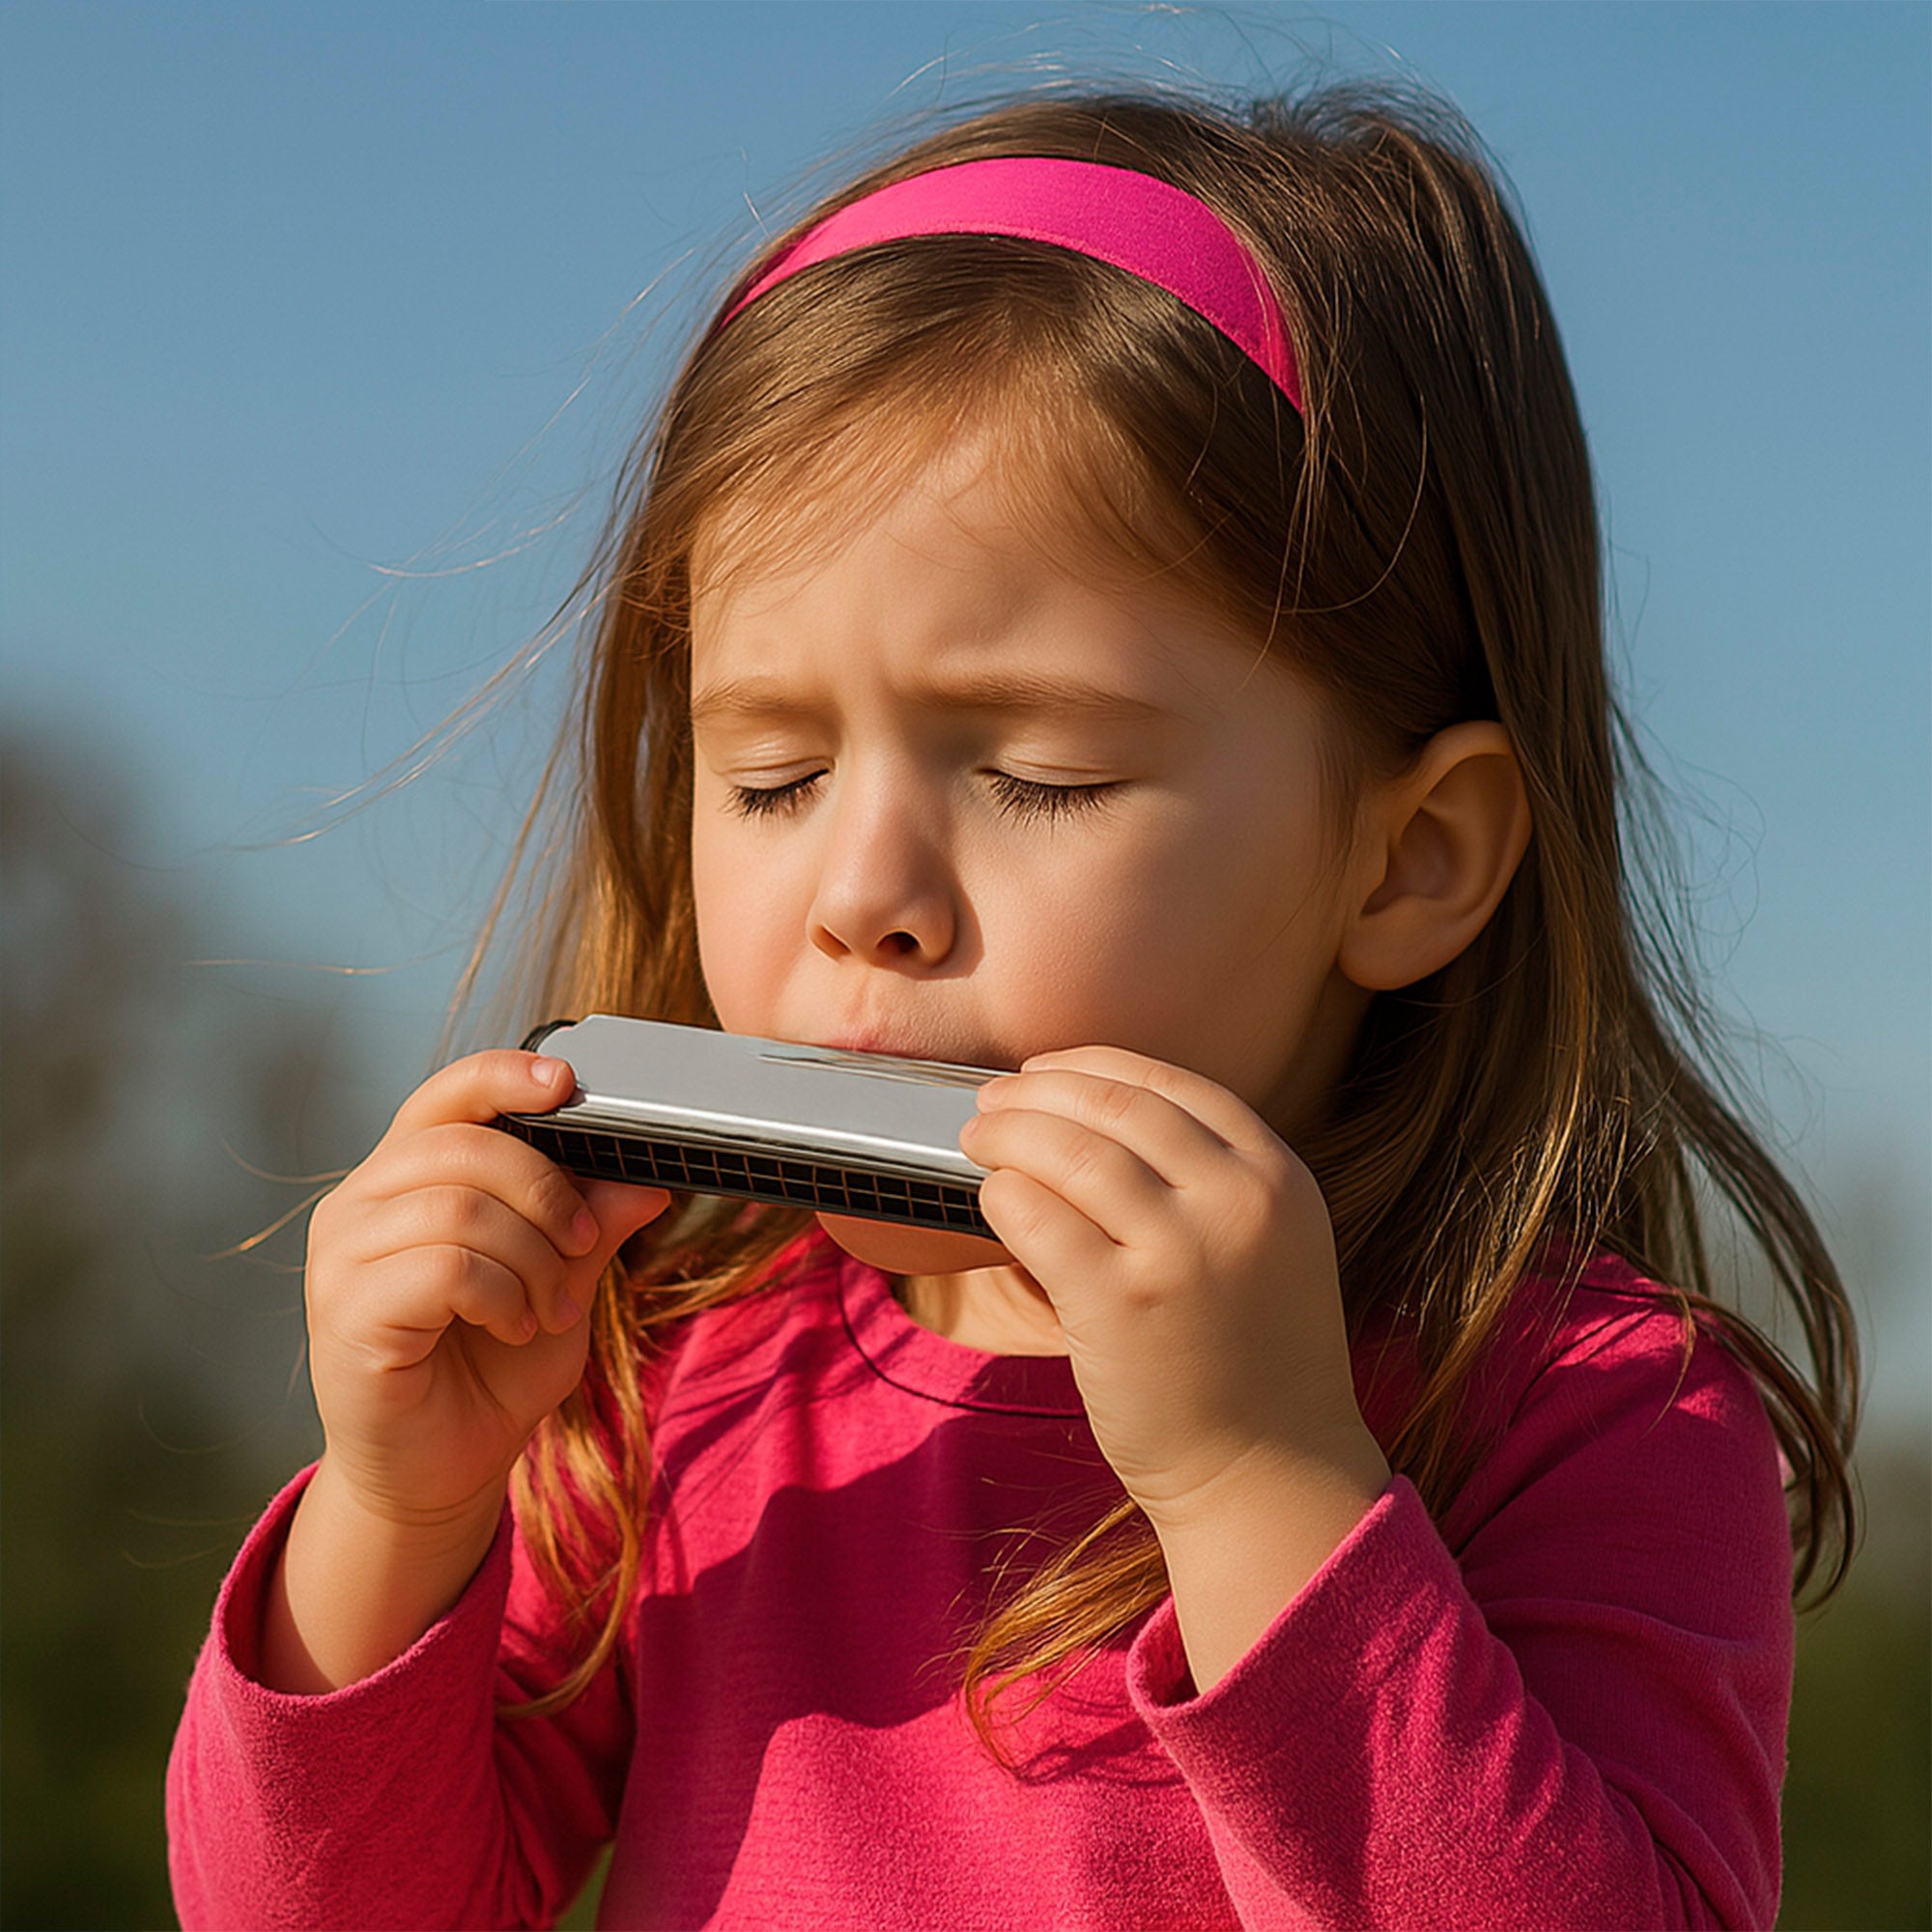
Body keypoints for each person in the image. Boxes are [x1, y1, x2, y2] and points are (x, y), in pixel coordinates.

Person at [165, 82, 1859, 1931]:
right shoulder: (669, 1390)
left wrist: (1260, 1479)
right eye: (774, 776)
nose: (861, 895)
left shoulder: (1590, 1411)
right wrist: (398, 1517)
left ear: (1409, 860)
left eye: (1040, 774)